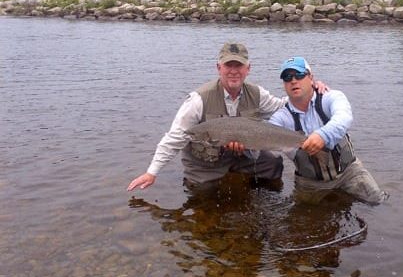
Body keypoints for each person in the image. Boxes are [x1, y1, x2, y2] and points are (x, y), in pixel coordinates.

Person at [127, 44, 327, 192]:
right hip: (205, 163)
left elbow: (284, 105)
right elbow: (175, 138)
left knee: (272, 163)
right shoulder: (197, 100)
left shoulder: (257, 94)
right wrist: (152, 172)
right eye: (228, 65)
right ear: (218, 68)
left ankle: (260, 194)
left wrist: (312, 89)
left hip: (244, 157)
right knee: (202, 195)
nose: (233, 71)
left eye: (238, 66)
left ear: (248, 69)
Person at [269, 56, 388, 205]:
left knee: (379, 203)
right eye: (287, 77)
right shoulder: (280, 118)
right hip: (310, 183)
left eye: (299, 75)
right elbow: (266, 143)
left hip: (349, 173)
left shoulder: (331, 97)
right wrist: (243, 147)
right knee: (302, 221)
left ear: (311, 78)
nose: (293, 81)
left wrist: (322, 136)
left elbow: (343, 117)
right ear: (284, 84)